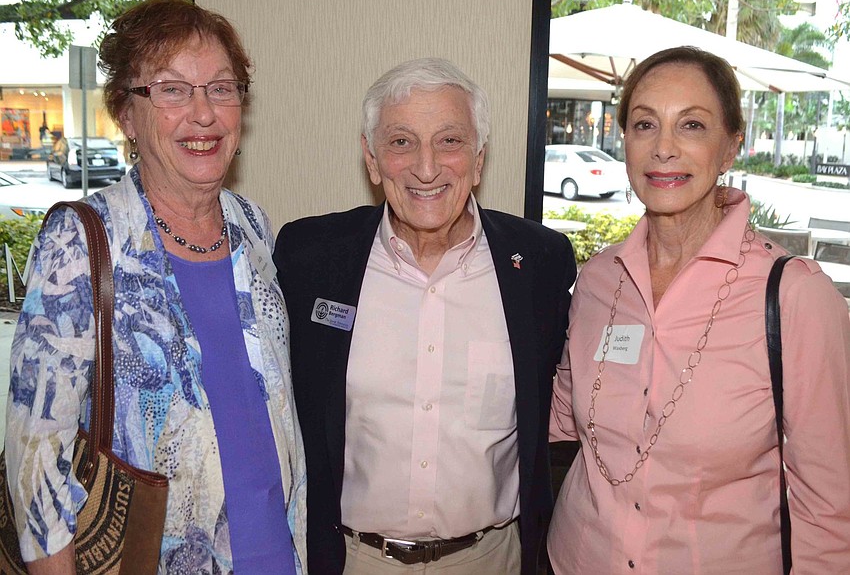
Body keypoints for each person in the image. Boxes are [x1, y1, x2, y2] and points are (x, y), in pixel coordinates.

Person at [4, 0, 306, 574]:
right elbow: (37, 460)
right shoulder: (84, 240)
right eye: (171, 90)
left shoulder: (254, 228)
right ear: (126, 112)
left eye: (221, 88)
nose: (203, 114)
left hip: (278, 555)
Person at [548, 46, 850, 573]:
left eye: (690, 125)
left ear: (731, 147)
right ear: (625, 142)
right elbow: (558, 417)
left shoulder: (793, 297)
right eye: (644, 125)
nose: (663, 149)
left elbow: (830, 506)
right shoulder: (598, 282)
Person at [274, 58, 576, 574]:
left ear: (479, 159)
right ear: (372, 161)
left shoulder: (540, 264)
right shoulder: (310, 259)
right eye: (401, 142)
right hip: (351, 559)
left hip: (492, 558)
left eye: (450, 141)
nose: (427, 167)